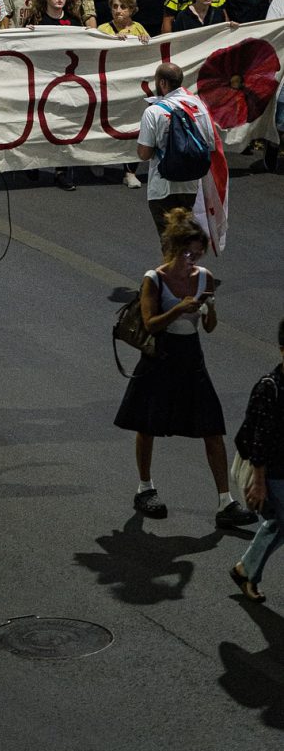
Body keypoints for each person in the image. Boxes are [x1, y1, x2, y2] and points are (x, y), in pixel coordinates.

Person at [114, 208, 256, 530]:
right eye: (188, 253)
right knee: (147, 424)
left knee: (212, 427)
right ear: (175, 249)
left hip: (191, 357)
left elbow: (209, 328)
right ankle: (144, 487)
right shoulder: (154, 279)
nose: (193, 259)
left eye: (198, 253)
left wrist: (209, 309)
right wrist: (178, 308)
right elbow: (150, 324)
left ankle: (225, 502)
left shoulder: (204, 278)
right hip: (160, 357)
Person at [230, 318, 284, 602]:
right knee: (278, 522)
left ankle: (244, 570)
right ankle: (246, 571)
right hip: (269, 469)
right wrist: (259, 483)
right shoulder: (270, 388)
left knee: (279, 524)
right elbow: (258, 440)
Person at [136, 62, 219, 237]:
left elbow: (144, 154)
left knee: (170, 243)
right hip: (190, 186)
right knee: (184, 239)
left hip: (163, 187)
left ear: (163, 83)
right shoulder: (199, 106)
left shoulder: (154, 112)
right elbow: (210, 144)